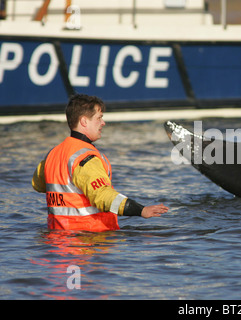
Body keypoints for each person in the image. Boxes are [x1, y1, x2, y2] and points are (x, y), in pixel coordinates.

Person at [32, 94, 169, 231]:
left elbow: (38, 185)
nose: (103, 123)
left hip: (57, 241)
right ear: (84, 121)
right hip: (88, 241)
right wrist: (141, 210)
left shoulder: (52, 154)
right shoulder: (85, 158)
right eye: (99, 118)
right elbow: (103, 196)